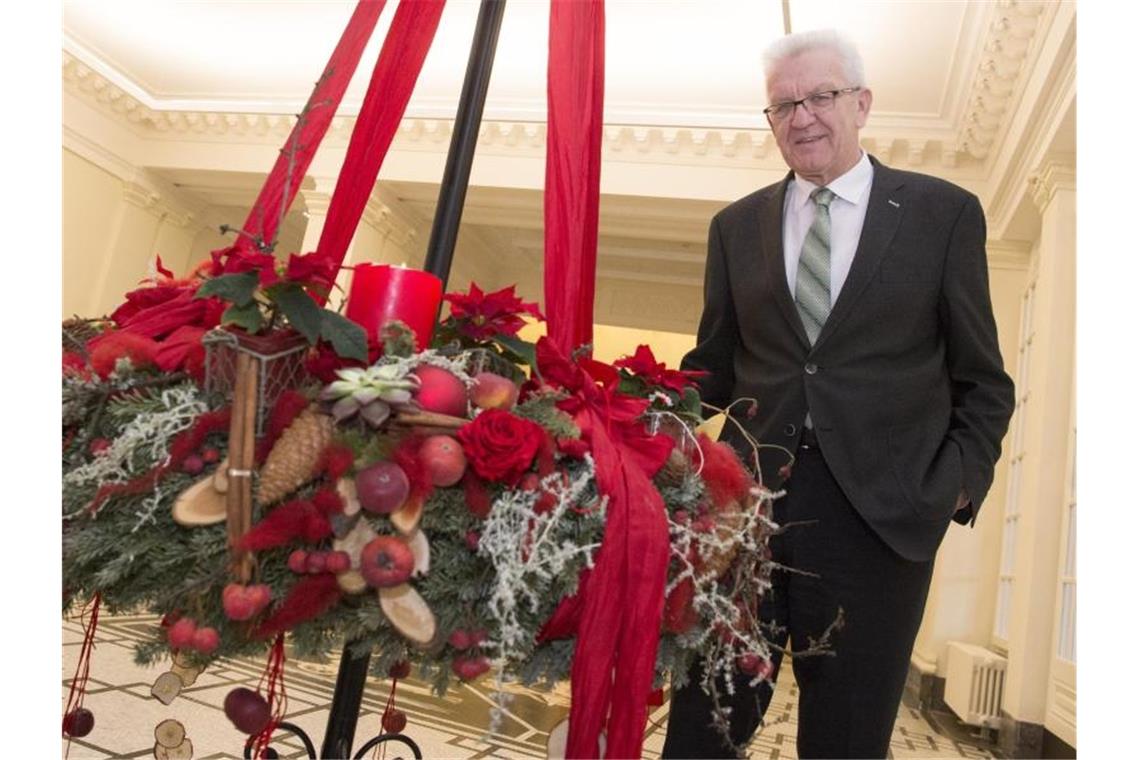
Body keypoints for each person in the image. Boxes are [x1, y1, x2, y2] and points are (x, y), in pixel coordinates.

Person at [661, 29, 1015, 759]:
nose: (803, 117)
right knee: (701, 730)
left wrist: (949, 488)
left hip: (881, 523)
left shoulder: (941, 214)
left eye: (820, 96)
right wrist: (636, 421)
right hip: (744, 520)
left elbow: (983, 382)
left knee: (846, 744)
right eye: (783, 104)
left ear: (861, 103)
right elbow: (712, 368)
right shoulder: (735, 228)